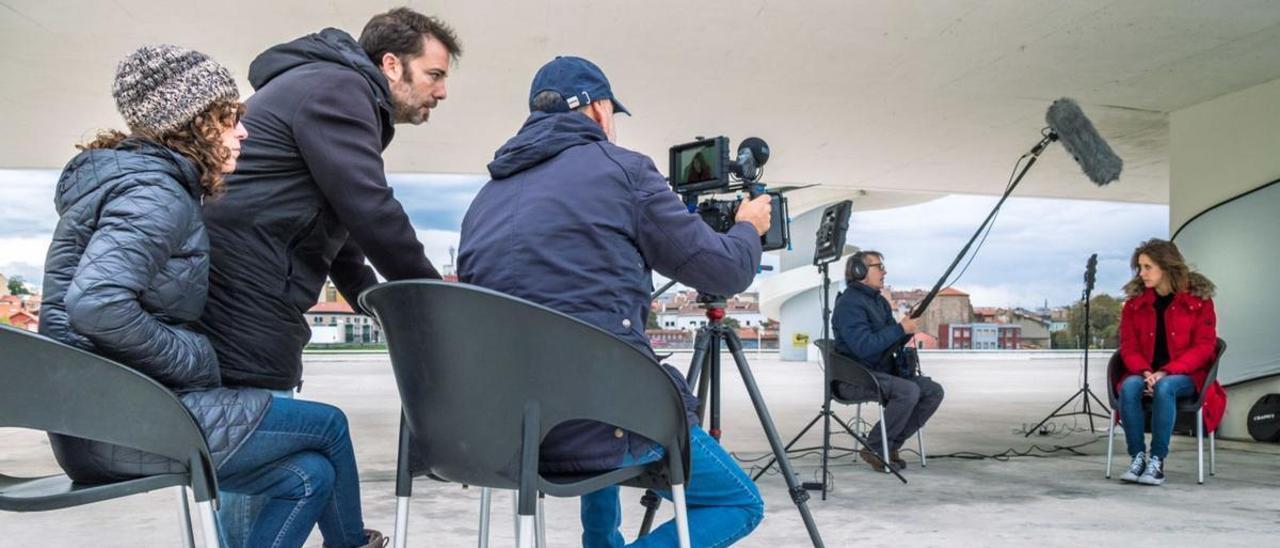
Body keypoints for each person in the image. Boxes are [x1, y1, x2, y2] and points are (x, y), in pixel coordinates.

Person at [39, 45, 385, 547]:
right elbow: (96, 303)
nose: (242, 131)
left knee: (309, 475)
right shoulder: (155, 194)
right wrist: (196, 359)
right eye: (228, 119)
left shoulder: (136, 183)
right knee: (329, 426)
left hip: (99, 418)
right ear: (191, 125)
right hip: (119, 421)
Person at [458, 56, 767, 548]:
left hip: (513, 434)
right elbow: (724, 270)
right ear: (600, 109)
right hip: (603, 420)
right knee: (737, 502)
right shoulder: (623, 170)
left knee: (592, 374)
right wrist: (749, 225)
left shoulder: (485, 199)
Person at [193, 8, 460, 540]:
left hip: (245, 294)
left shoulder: (321, 86)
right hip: (245, 301)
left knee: (294, 470)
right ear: (391, 64)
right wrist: (433, 302)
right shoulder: (339, 91)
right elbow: (370, 209)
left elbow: (336, 222)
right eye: (434, 75)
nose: (442, 92)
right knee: (260, 470)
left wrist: (369, 297)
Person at [1116, 238, 1226, 485]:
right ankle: (1137, 458)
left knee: (1165, 387)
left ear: (1166, 267)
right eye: (1140, 267)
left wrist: (1166, 372)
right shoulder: (1135, 304)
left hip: (1187, 375)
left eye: (1148, 267)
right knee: (1129, 386)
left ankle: (1157, 461)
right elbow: (1129, 346)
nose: (1141, 274)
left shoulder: (1199, 300)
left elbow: (1204, 347)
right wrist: (1145, 372)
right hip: (1144, 372)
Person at [831, 250, 944, 471]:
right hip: (855, 377)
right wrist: (899, 328)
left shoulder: (879, 302)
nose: (885, 271)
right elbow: (864, 347)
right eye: (878, 267)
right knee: (908, 391)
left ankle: (889, 444)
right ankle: (875, 446)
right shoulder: (849, 304)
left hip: (880, 371)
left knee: (932, 391)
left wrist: (906, 330)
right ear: (860, 271)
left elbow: (887, 342)